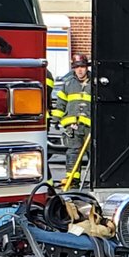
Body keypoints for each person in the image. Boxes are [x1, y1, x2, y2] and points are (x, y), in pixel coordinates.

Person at [51, 53, 92, 188]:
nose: (80, 70)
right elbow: (61, 104)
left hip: (90, 127)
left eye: (82, 67)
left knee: (94, 154)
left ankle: (95, 182)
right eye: (77, 67)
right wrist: (56, 120)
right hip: (73, 127)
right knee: (73, 153)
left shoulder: (94, 83)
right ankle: (73, 180)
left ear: (87, 67)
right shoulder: (68, 84)